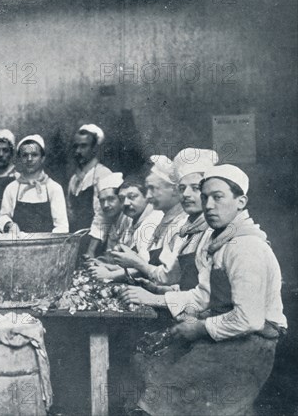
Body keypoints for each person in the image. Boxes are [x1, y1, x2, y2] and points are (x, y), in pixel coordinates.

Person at [121, 164, 287, 415]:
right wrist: (162, 301)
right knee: (149, 371)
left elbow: (249, 319)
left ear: (240, 201)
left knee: (162, 398)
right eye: (205, 197)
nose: (208, 205)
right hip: (226, 339)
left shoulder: (246, 247)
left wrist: (198, 327)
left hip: (250, 347)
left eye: (218, 197)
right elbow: (203, 296)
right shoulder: (218, 242)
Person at [110, 155, 186, 285]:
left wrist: (134, 262)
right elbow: (145, 259)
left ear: (174, 190)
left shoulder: (182, 223)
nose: (148, 195)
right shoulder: (163, 220)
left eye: (153, 188)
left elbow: (169, 277)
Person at [89, 177, 163, 280]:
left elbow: (144, 268)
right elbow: (132, 264)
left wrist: (110, 275)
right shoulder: (133, 221)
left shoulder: (153, 221)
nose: (126, 203)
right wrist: (108, 267)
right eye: (122, 199)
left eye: (132, 197)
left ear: (147, 197)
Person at [0, 134, 69, 234]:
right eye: (25, 155)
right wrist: (9, 225)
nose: (29, 159)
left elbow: (62, 226)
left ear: (43, 158)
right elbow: (2, 217)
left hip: (47, 247)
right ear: (19, 159)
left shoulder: (54, 188)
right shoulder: (12, 188)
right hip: (18, 246)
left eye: (34, 155)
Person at [68, 125, 113, 244]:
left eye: (83, 146)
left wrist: (91, 250)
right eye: (75, 146)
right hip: (76, 240)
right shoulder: (74, 179)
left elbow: (103, 218)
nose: (78, 151)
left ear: (95, 148)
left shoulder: (103, 174)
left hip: (95, 243)